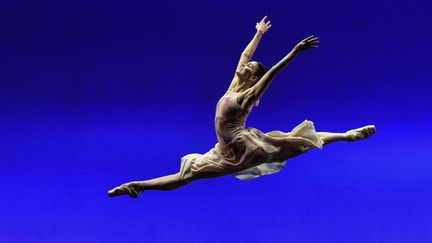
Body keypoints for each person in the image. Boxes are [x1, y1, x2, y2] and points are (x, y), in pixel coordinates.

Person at [108, 16, 376, 198]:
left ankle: (347, 135)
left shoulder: (246, 96)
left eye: (249, 68)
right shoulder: (233, 86)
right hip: (222, 151)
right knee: (185, 175)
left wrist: (293, 52)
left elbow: (271, 75)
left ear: (253, 77)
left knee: (296, 143)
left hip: (243, 148)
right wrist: (258, 33)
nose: (244, 66)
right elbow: (244, 55)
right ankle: (136, 186)